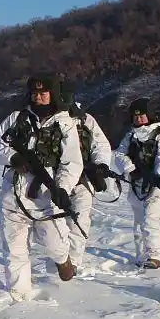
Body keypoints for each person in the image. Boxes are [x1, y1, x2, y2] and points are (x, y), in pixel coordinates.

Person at [0, 75, 84, 300]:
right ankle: (19, 295)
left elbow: (72, 161)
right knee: (14, 250)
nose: (38, 97)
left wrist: (62, 188)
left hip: (46, 195)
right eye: (34, 93)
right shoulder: (16, 118)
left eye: (43, 93)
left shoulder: (64, 123)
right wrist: (13, 158)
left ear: (53, 94)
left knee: (54, 243)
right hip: (14, 193)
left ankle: (63, 260)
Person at [112, 97, 160, 269]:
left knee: (151, 218)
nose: (138, 119)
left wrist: (158, 177)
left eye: (142, 115)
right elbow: (119, 155)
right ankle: (141, 256)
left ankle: (155, 257)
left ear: (150, 115)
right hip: (136, 183)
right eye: (135, 116)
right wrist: (131, 169)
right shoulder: (130, 136)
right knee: (140, 221)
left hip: (157, 185)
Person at [61, 87, 113, 267]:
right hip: (53, 178)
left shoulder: (86, 120)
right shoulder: (47, 120)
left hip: (83, 179)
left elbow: (101, 145)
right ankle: (59, 257)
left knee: (79, 220)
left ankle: (72, 261)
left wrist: (101, 164)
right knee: (55, 223)